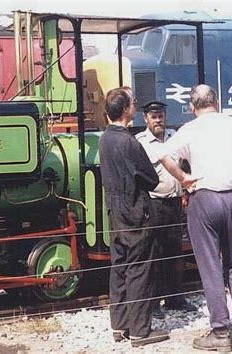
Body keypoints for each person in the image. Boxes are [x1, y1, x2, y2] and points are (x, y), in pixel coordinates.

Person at [159, 85, 232, 351]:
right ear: (217, 102)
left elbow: (163, 155)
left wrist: (184, 178)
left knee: (210, 265)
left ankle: (220, 331)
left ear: (192, 107)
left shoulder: (189, 129)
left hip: (204, 199)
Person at [99, 87, 169, 347]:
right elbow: (151, 179)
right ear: (127, 110)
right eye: (133, 104)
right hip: (135, 213)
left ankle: (120, 325)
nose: (135, 107)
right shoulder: (130, 142)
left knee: (119, 267)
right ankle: (140, 330)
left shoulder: (105, 138)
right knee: (140, 269)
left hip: (115, 212)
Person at [135, 101, 196, 319]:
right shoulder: (140, 142)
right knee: (153, 254)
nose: (158, 120)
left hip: (174, 202)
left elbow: (186, 163)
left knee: (174, 251)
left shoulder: (175, 137)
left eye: (161, 116)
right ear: (145, 119)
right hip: (153, 203)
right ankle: (152, 303)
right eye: (154, 117)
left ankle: (175, 298)